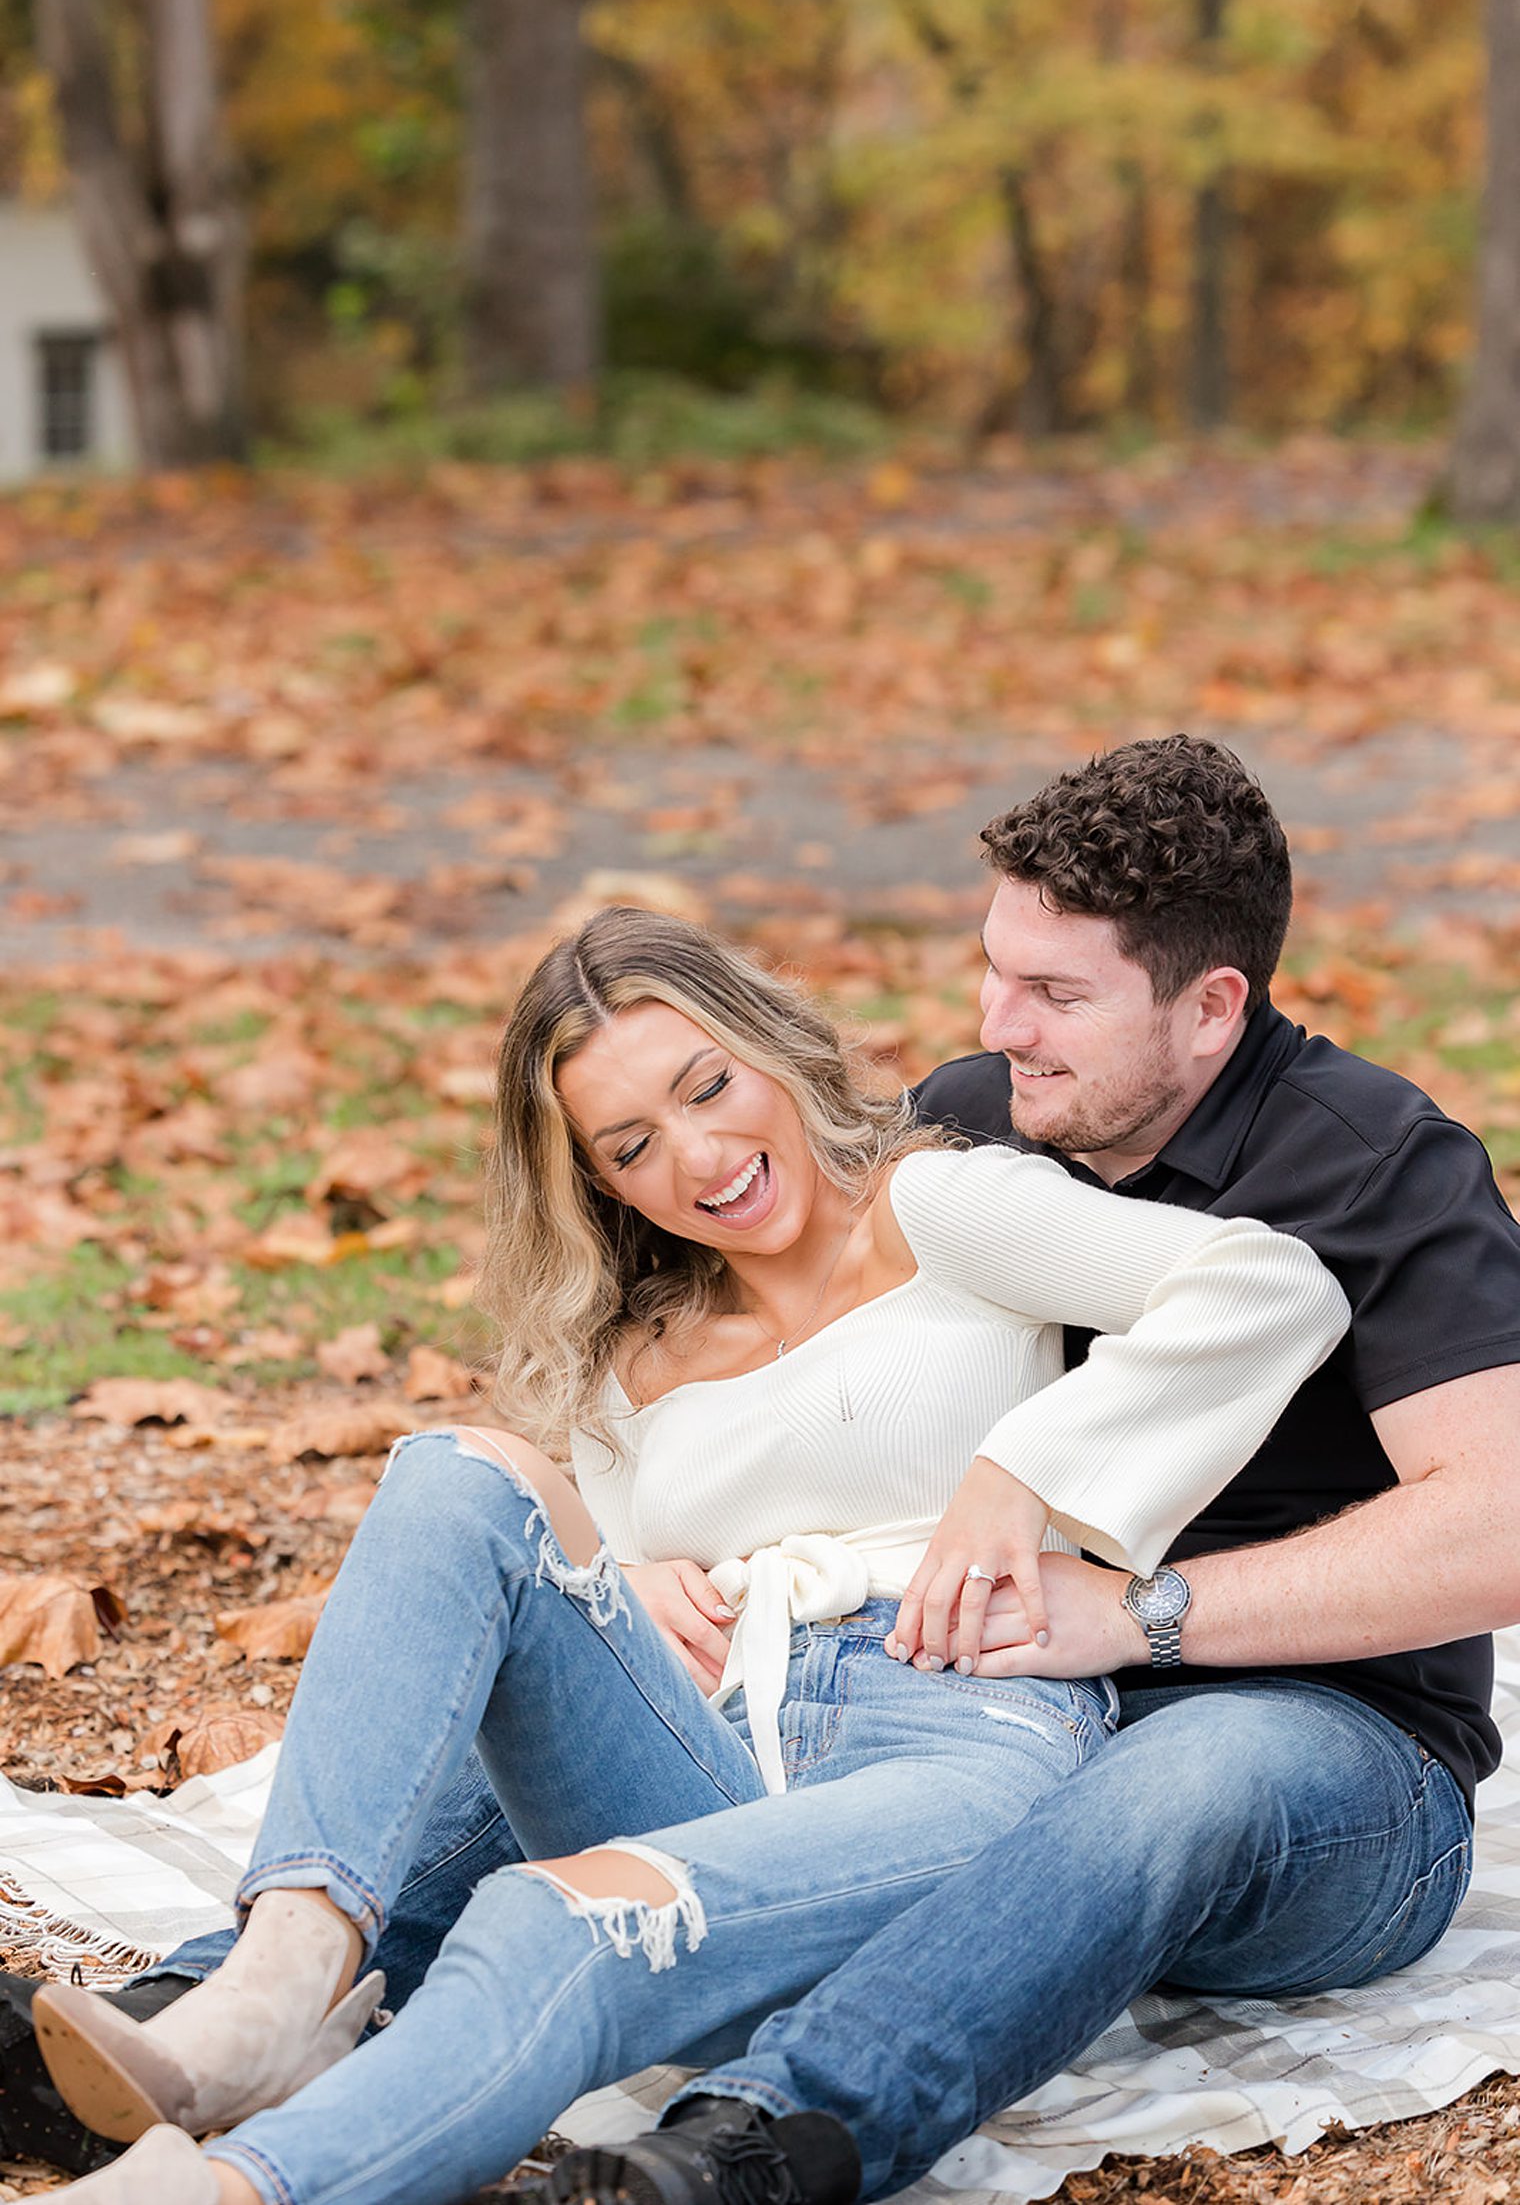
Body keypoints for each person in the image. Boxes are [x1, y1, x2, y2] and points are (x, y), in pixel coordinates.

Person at [24, 900, 1346, 2205]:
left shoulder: (937, 1208)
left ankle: (228, 2189)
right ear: (596, 1180)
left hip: (948, 1736)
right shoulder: (627, 1352)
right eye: (634, 1143)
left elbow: (1266, 1287)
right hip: (710, 1761)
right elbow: (569, 1616)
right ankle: (271, 1986)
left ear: (771, 1047)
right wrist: (630, 1575)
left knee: (562, 1915)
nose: (703, 1157)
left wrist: (1026, 1475)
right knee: (454, 1475)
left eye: (712, 1086)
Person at [533, 733, 1520, 2205]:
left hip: (1322, 1762)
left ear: (1211, 1010)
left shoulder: (1380, 1168)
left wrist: (1142, 1616)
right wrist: (651, 1559)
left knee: (1176, 1777)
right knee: (571, 1680)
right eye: (994, 969)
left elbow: (1500, 1525)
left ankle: (770, 2139)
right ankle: (224, 1997)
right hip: (978, 1713)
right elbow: (807, 1379)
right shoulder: (985, 1117)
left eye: (1057, 996)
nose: (1002, 1025)